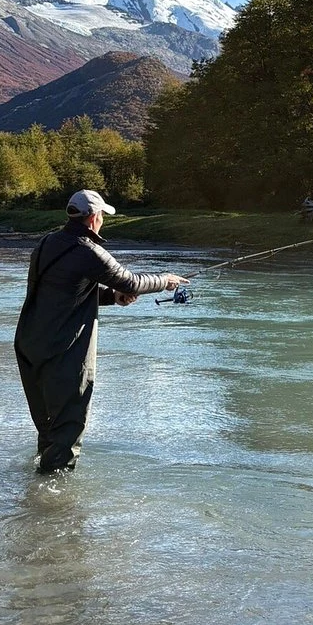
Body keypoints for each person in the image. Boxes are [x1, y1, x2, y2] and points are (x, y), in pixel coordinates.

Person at [14, 188, 187, 473]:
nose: (102, 221)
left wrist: (110, 297)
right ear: (94, 218)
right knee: (68, 427)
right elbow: (130, 282)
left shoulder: (46, 243)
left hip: (29, 345)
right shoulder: (88, 250)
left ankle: (38, 484)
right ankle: (54, 502)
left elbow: (62, 291)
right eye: (102, 216)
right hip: (63, 350)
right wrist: (165, 279)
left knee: (47, 427)